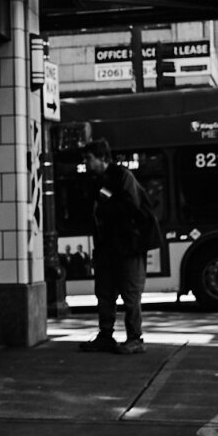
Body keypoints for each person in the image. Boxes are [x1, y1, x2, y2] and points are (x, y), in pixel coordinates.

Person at [80, 137, 159, 354]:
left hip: (128, 246)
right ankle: (106, 335)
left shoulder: (122, 177)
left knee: (130, 293)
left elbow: (128, 206)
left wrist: (104, 206)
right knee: (105, 292)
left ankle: (135, 338)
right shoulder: (100, 180)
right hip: (109, 247)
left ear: (102, 158)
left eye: (88, 159)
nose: (86, 163)